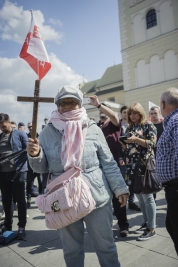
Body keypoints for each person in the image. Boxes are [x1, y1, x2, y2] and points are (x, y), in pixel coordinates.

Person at [27, 85, 129, 267]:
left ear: (79, 104)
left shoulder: (92, 128)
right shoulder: (47, 132)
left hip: (96, 196)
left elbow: (108, 162)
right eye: (63, 103)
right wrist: (35, 155)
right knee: (71, 250)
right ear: (57, 105)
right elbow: (42, 168)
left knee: (105, 246)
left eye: (72, 102)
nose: (67, 106)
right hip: (64, 197)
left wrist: (120, 188)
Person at [89, 96, 129, 237]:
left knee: (119, 199)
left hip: (114, 167)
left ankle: (123, 225)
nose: (102, 114)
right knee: (104, 200)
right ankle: (105, 228)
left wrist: (99, 104)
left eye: (104, 111)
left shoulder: (114, 124)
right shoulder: (96, 127)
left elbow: (112, 115)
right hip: (99, 170)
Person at [120, 103, 157, 241]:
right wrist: (125, 145)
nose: (132, 115)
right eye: (130, 113)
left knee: (147, 197)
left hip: (145, 165)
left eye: (135, 113)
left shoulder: (148, 125)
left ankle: (152, 228)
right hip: (132, 166)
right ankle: (147, 223)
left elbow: (152, 143)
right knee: (140, 198)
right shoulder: (130, 127)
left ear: (140, 113)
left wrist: (135, 139)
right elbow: (131, 148)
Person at [156, 87, 178, 255]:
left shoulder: (176, 120)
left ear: (163, 104)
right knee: (171, 226)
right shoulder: (173, 121)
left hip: (176, 187)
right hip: (172, 187)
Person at [0, 113, 27, 239]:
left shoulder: (20, 134)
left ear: (9, 122)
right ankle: (8, 226)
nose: (2, 128)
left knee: (21, 200)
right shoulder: (0, 137)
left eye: (4, 126)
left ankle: (21, 227)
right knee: (6, 201)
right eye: (0, 127)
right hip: (3, 173)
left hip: (18, 172)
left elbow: (28, 151)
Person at [119, 105, 141, 211]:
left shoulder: (135, 126)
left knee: (132, 182)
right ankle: (121, 203)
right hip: (123, 158)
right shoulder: (118, 125)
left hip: (134, 159)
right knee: (123, 181)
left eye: (129, 112)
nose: (127, 114)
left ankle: (131, 201)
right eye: (124, 112)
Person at [149, 106, 164, 200]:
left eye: (155, 113)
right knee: (152, 179)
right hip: (152, 157)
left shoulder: (164, 124)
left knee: (166, 182)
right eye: (152, 113)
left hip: (164, 156)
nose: (154, 115)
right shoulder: (148, 126)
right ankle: (153, 200)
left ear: (159, 113)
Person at [26, 122, 42, 207]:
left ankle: (41, 200)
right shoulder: (26, 137)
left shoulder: (40, 136)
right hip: (29, 164)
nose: (31, 128)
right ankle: (28, 199)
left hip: (39, 164)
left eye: (32, 126)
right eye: (29, 127)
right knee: (29, 182)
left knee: (41, 182)